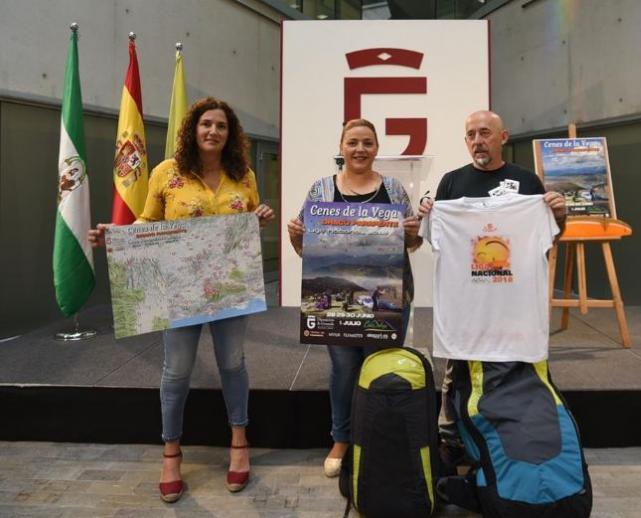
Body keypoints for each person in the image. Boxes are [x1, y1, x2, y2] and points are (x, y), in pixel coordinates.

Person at [88, 97, 275, 503]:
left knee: (233, 364)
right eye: (206, 124)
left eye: (221, 126)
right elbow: (148, 223)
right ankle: (171, 452)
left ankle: (239, 441)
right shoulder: (165, 173)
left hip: (229, 287)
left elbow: (244, 227)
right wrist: (116, 237)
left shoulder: (242, 174)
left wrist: (258, 217)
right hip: (178, 289)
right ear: (193, 129)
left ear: (231, 134)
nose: (213, 131)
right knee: (177, 371)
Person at [417, 109, 566, 463]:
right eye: (470, 135)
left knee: (516, 378)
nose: (477, 141)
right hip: (467, 310)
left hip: (513, 309)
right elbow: (435, 241)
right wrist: (426, 215)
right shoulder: (451, 183)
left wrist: (559, 215)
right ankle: (452, 443)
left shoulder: (528, 183)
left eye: (484, 133)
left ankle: (509, 445)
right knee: (457, 378)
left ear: (503, 137)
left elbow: (551, 237)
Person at [287, 118, 422, 477]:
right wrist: (295, 234)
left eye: (367, 143)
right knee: (344, 370)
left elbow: (413, 244)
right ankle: (342, 438)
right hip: (336, 301)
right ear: (341, 147)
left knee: (379, 367)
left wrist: (413, 232)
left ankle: (375, 438)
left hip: (389, 297)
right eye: (353, 142)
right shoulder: (320, 191)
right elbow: (305, 251)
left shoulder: (393, 188)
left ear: (376, 148)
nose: (360, 149)